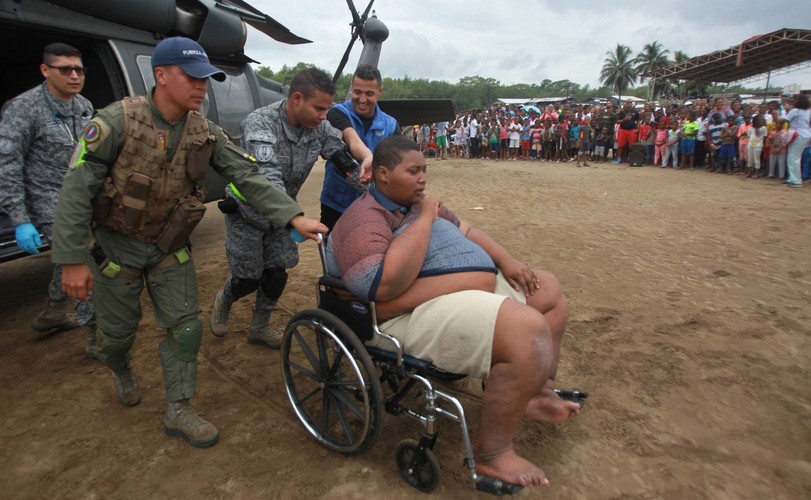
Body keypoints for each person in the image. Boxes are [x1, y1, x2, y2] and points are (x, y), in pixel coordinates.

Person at [51, 37, 328, 448]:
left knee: (185, 330)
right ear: (160, 76)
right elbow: (75, 191)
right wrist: (71, 259)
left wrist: (292, 215)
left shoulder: (205, 132)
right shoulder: (116, 123)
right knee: (116, 337)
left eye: (207, 79)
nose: (203, 87)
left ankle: (179, 409)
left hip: (169, 247)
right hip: (116, 250)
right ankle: (120, 365)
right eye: (192, 77)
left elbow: (248, 176)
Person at [326, 135, 581, 489]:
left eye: (425, 170)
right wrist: (430, 227)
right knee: (526, 329)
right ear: (382, 174)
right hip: (405, 313)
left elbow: (467, 230)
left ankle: (538, 390)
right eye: (413, 170)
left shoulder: (417, 203)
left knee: (548, 289)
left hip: (456, 289)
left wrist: (506, 260)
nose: (423, 178)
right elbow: (380, 288)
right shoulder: (364, 220)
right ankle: (492, 454)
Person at [208, 68, 351, 348]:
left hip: (286, 217)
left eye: (328, 109)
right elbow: (266, 177)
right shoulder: (261, 122)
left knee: (277, 272)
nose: (324, 116)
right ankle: (225, 298)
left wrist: (375, 188)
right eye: (319, 108)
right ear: (297, 98)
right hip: (248, 213)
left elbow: (344, 160)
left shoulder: (319, 128)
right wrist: (294, 217)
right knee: (248, 278)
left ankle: (259, 326)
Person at [0, 43, 97, 356]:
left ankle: (55, 309)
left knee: (74, 254)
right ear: (45, 70)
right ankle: (96, 334)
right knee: (84, 253)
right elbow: (7, 163)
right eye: (65, 69)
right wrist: (20, 219)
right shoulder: (22, 109)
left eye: (79, 69)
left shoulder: (83, 105)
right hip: (46, 197)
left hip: (82, 194)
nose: (74, 76)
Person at [319, 64, 399, 229]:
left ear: (380, 91)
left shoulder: (391, 125)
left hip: (374, 204)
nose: (362, 99)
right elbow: (351, 138)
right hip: (336, 203)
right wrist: (369, 157)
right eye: (357, 92)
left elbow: (399, 161)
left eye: (369, 93)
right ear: (351, 87)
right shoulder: (337, 113)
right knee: (332, 250)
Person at [784, 94, 810, 188]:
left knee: (792, 157)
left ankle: (795, 180)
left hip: (798, 135)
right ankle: (794, 178)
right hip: (805, 134)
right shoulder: (808, 111)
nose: (794, 101)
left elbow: (784, 119)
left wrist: (777, 115)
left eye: (795, 99)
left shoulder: (795, 110)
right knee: (795, 157)